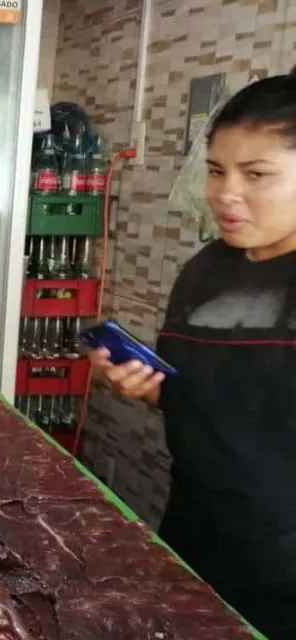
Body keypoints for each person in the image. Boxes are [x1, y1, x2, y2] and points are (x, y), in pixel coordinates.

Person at [89, 68, 296, 639]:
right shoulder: (204, 271)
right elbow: (208, 396)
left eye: (256, 175)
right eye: (216, 171)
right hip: (195, 537)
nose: (226, 193)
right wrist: (144, 385)